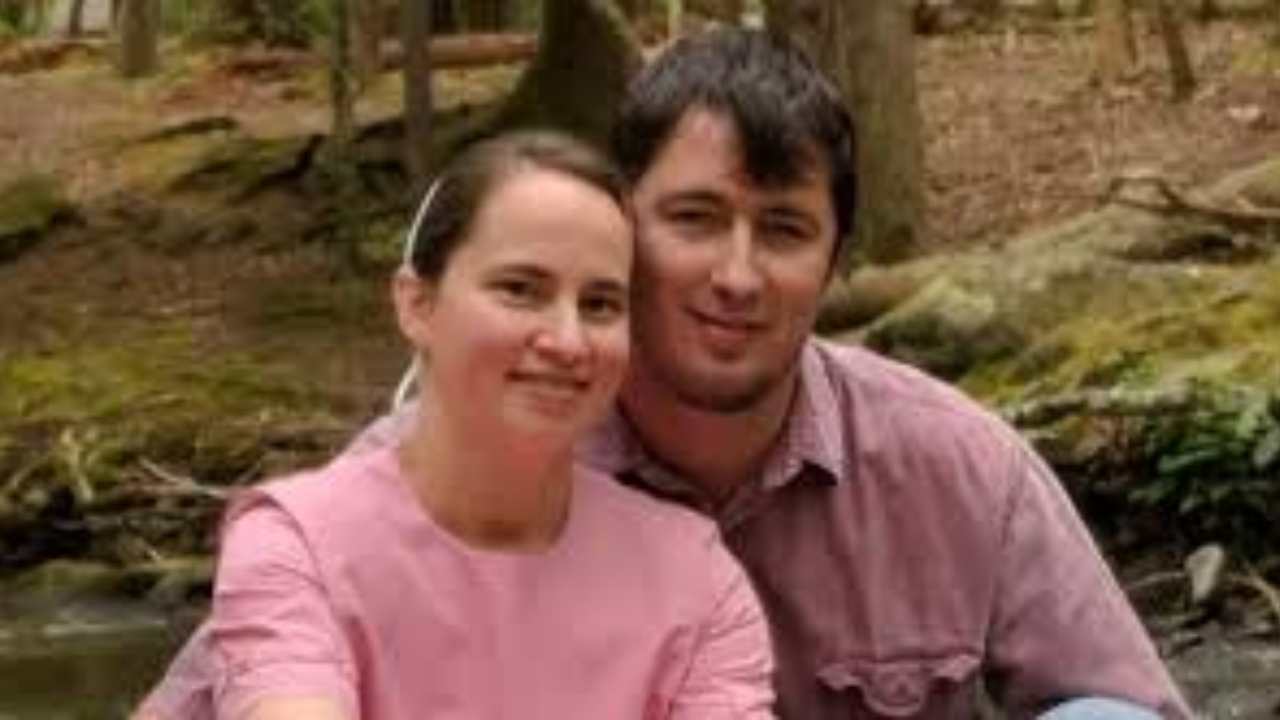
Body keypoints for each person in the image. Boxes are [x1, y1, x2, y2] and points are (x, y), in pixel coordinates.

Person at [352, 29, 1191, 719]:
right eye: (695, 219)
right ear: (618, 232)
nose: (738, 276)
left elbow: (1121, 700)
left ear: (835, 262)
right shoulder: (438, 468)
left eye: (784, 230)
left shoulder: (956, 467)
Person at [134, 131, 775, 719]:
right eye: (521, 289)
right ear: (417, 304)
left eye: (601, 304)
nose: (568, 340)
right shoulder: (297, 545)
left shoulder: (695, 580)